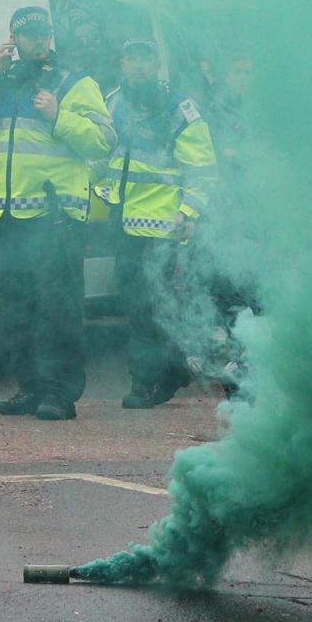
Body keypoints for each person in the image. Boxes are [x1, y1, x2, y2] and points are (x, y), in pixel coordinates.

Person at [0, 5, 115, 422]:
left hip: (54, 217)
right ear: (14, 39)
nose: (39, 42)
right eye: (30, 36)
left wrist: (58, 116)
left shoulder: (74, 83)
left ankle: (59, 393)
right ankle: (28, 388)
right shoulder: (0, 85)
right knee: (17, 308)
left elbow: (103, 141)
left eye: (44, 35)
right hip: (10, 217)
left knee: (57, 310)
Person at [95, 39, 218, 408]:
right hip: (124, 224)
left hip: (165, 226)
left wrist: (189, 212)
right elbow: (101, 154)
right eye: (133, 59)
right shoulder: (112, 101)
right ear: (122, 62)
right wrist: (101, 192)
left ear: (157, 64)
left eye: (146, 60)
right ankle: (172, 370)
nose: (139, 66)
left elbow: (204, 170)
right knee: (138, 306)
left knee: (151, 307)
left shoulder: (179, 107)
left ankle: (145, 384)